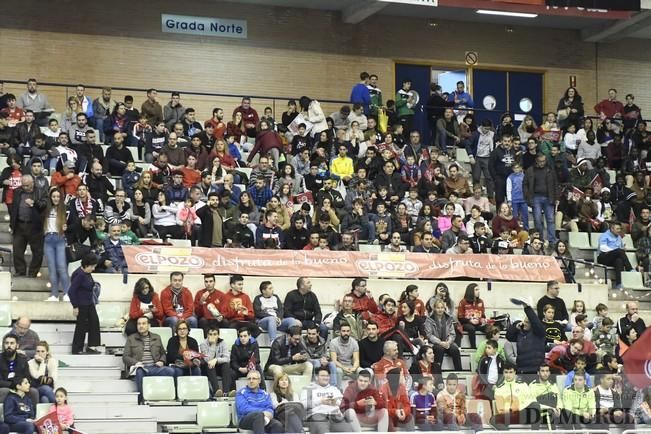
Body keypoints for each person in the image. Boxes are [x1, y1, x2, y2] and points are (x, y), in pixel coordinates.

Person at [122, 316, 175, 404]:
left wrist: (161, 361)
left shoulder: (156, 337)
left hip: (155, 367)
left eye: (143, 323)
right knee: (139, 371)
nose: (141, 326)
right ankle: (141, 400)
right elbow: (125, 357)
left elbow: (163, 354)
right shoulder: (131, 338)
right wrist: (136, 363)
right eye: (139, 324)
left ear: (148, 325)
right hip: (141, 368)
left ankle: (169, 398)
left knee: (171, 371)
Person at [301, 367, 354, 434]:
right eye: (323, 376)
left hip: (335, 415)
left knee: (348, 431)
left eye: (327, 376)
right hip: (317, 415)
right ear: (316, 377)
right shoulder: (308, 389)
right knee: (322, 431)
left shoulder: (334, 389)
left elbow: (343, 404)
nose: (326, 378)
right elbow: (303, 405)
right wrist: (320, 401)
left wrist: (335, 402)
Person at [10, 174, 45, 277]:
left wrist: (34, 203)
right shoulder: (18, 191)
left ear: (32, 184)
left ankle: (33, 272)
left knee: (37, 251)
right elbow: (14, 207)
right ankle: (20, 270)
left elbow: (44, 204)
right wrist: (12, 224)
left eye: (27, 186)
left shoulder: (40, 191)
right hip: (19, 225)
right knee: (17, 250)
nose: (25, 188)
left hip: (34, 226)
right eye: (23, 185)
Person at [68, 254, 101, 355]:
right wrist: (75, 306)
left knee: (94, 323)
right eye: (92, 266)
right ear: (86, 265)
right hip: (81, 304)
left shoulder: (87, 273)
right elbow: (71, 291)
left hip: (89, 303)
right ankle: (77, 348)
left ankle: (92, 345)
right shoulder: (79, 274)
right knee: (81, 326)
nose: (93, 268)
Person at [491, 362, 541, 429]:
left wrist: (520, 408)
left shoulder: (523, 385)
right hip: (509, 416)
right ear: (503, 373)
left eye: (511, 372)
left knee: (535, 405)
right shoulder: (499, 389)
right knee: (493, 419)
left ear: (515, 373)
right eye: (506, 372)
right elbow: (500, 409)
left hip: (522, 415)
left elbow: (531, 401)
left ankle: (535, 432)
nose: (508, 375)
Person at [524, 153, 558, 244]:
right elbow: (525, 184)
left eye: (544, 161)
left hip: (549, 197)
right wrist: (527, 197)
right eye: (540, 161)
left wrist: (556, 198)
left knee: (550, 219)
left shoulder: (550, 170)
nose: (542, 163)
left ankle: (552, 240)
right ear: (536, 161)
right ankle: (540, 239)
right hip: (535, 197)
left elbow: (555, 184)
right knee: (538, 219)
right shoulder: (530, 170)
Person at [506, 300, 546, 378]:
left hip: (535, 370)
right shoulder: (521, 333)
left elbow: (535, 321)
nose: (524, 324)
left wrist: (527, 308)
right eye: (524, 321)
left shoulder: (539, 332)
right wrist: (515, 328)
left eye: (527, 322)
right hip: (522, 369)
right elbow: (509, 336)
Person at [0, 335, 39, 406]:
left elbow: (27, 377)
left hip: (20, 386)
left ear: (17, 345)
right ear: (3, 345)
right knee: (4, 391)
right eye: (6, 343)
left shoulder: (23, 360)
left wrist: (23, 384)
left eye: (12, 343)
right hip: (5, 387)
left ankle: (32, 416)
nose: (9, 345)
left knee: (34, 392)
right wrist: (15, 385)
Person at [424, 299, 462, 371]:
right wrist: (440, 342)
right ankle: (437, 371)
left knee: (455, 349)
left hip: (447, 342)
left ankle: (459, 371)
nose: (440, 310)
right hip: (435, 343)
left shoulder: (449, 319)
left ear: (444, 308)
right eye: (438, 308)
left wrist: (448, 342)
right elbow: (429, 335)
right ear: (434, 308)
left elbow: (452, 334)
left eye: (442, 308)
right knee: (439, 349)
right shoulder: (429, 320)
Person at [200, 326, 235, 397]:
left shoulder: (223, 343)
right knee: (210, 365)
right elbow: (208, 360)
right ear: (207, 335)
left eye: (215, 334)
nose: (212, 336)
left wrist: (216, 360)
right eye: (210, 334)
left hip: (219, 367)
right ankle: (217, 391)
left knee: (226, 365)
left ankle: (226, 392)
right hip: (207, 368)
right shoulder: (203, 344)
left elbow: (227, 358)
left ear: (218, 335)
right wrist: (213, 344)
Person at [597, 221, 633, 289]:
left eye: (620, 229)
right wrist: (616, 250)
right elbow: (603, 248)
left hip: (613, 258)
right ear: (612, 229)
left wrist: (622, 249)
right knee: (619, 251)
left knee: (619, 261)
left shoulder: (619, 237)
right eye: (617, 229)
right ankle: (629, 269)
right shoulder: (604, 235)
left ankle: (618, 284)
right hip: (603, 257)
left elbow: (621, 249)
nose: (619, 230)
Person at [457, 283, 486, 349]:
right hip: (466, 323)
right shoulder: (463, 302)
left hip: (478, 323)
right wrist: (470, 321)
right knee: (471, 328)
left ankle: (490, 346)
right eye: (476, 289)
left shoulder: (481, 301)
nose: (478, 291)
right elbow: (460, 317)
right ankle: (473, 348)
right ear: (471, 291)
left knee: (489, 328)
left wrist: (482, 320)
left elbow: (483, 316)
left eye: (478, 289)